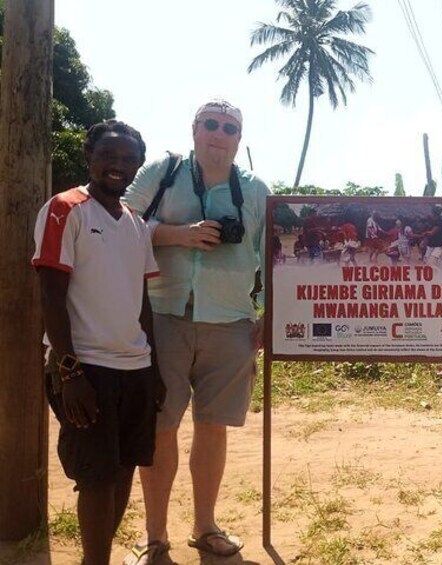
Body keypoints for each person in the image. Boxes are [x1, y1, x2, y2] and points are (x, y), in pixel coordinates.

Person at [122, 100, 270, 563]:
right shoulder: (162, 171)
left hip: (230, 322)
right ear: (194, 129)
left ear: (238, 139)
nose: (219, 133)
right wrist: (178, 234)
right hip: (161, 316)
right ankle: (155, 536)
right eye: (210, 123)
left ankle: (205, 527)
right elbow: (116, 222)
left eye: (229, 127)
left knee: (213, 429)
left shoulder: (256, 190)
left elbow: (276, 254)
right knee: (160, 427)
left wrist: (270, 314)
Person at [32, 120, 163, 565]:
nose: (117, 166)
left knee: (124, 467)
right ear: (90, 156)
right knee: (96, 477)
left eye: (128, 160)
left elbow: (141, 301)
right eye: (109, 155)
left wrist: (155, 369)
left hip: (136, 367)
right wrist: (68, 370)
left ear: (138, 167)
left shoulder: (136, 224)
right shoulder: (65, 208)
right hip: (85, 367)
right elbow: (50, 293)